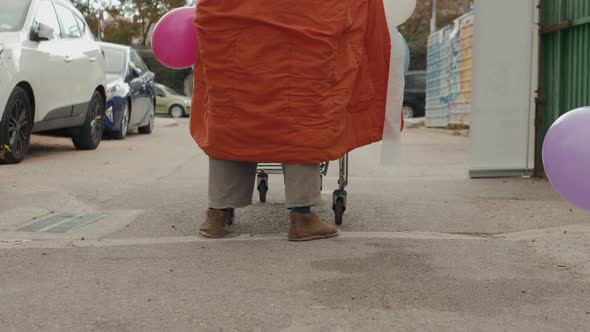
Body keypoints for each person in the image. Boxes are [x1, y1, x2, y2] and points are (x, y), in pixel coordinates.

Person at [191, 0, 392, 241]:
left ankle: (217, 214)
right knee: (302, 113)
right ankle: (302, 216)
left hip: (231, 24)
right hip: (305, 19)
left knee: (232, 112)